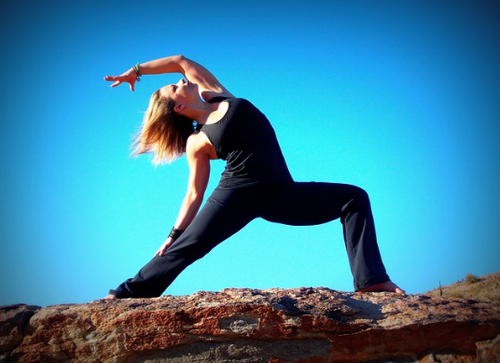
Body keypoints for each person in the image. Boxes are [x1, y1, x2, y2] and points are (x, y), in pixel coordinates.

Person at [103, 55, 404, 299]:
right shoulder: (197, 142)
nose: (181, 81)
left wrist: (136, 71)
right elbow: (194, 194)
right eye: (174, 87)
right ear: (179, 107)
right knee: (187, 248)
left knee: (355, 198)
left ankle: (370, 280)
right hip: (236, 195)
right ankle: (125, 294)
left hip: (281, 194)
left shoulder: (216, 93)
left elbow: (181, 60)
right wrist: (173, 235)